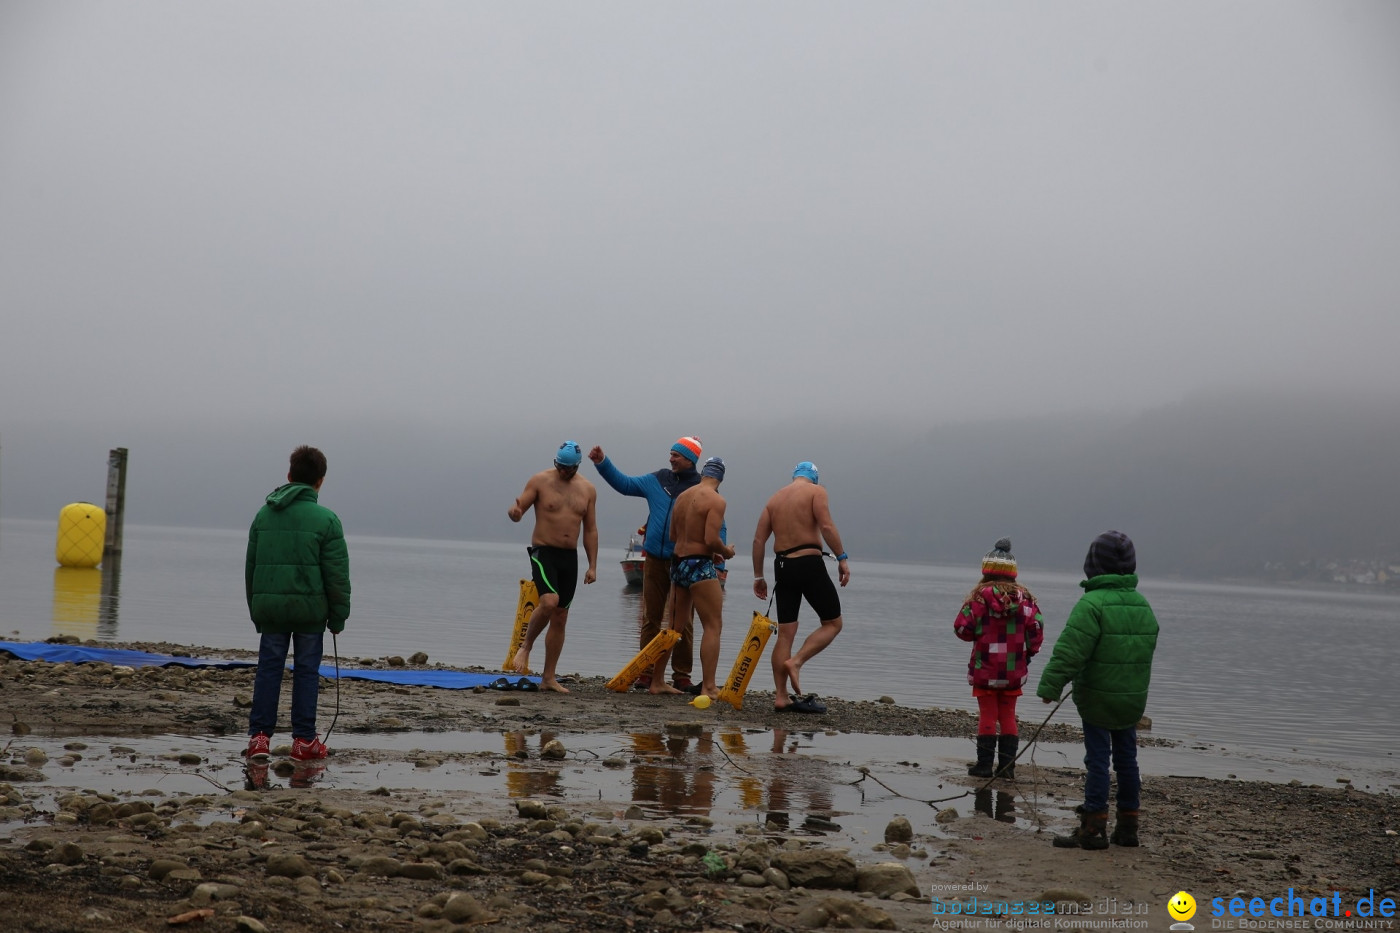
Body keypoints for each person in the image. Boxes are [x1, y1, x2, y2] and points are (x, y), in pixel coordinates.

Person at [1036, 530, 1159, 850]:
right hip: (1131, 700)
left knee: (1098, 761)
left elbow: (1071, 650)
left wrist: (1051, 684)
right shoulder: (1143, 605)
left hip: (1097, 698)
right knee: (1127, 760)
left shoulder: (1091, 604)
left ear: (1092, 567)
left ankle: (1094, 827)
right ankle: (1129, 826)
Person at [245, 445, 351, 763]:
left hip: (272, 611)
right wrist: (338, 616)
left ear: (289, 476)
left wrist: (256, 609)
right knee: (306, 671)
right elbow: (337, 576)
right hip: (310, 614)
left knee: (269, 669)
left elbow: (251, 568)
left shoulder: (263, 515)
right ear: (320, 481)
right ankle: (304, 740)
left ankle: (259, 739)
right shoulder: (327, 520)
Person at [589, 436, 704, 692]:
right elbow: (626, 484)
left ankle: (681, 676)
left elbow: (719, 520)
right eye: (671, 453)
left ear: (690, 459)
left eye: (676, 454)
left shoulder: (701, 487)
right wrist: (602, 463)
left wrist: (719, 551)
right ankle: (645, 671)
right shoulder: (658, 480)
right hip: (653, 558)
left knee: (683, 622)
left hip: (684, 561)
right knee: (651, 617)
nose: (671, 458)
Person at [752, 461, 849, 714]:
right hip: (808, 563)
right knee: (833, 623)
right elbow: (826, 526)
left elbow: (759, 539)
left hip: (782, 566)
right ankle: (796, 662)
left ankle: (781, 697)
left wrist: (758, 577)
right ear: (814, 478)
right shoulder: (817, 492)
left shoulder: (774, 499)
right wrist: (842, 558)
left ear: (794, 476)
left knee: (786, 633)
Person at [507, 440, 599, 693]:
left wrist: (593, 565)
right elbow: (520, 508)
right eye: (559, 466)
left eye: (568, 468)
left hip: (569, 557)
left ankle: (548, 678)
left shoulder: (588, 489)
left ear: (576, 467)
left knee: (561, 616)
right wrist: (515, 512)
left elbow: (590, 529)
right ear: (555, 462)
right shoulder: (539, 481)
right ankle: (525, 647)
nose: (562, 472)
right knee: (549, 601)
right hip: (543, 551)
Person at [954, 538, 1044, 780]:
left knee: (987, 715)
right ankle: (1007, 768)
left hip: (985, 667)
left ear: (986, 572)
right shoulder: (1026, 600)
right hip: (1014, 669)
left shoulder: (978, 599)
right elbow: (1036, 630)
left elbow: (961, 628)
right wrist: (1029, 652)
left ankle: (984, 766)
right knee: (1007, 715)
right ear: (1013, 573)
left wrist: (978, 635)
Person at [653, 457, 736, 699]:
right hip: (700, 565)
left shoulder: (682, 497)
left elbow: (672, 534)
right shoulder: (717, 500)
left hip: (678, 565)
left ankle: (657, 681)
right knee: (713, 625)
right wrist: (726, 551)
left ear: (703, 473)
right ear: (720, 478)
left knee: (673, 628)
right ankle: (709, 686)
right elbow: (711, 540)